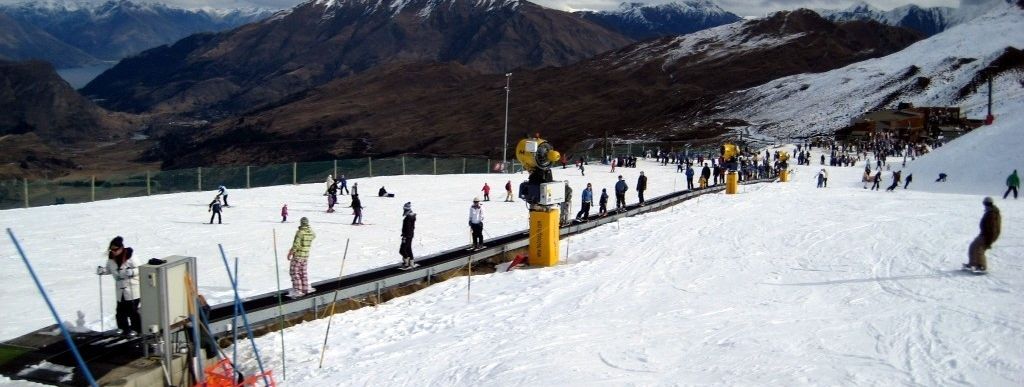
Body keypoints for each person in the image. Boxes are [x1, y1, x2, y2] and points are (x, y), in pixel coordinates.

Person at [96, 236, 141, 336]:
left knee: (132, 310)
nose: (113, 251)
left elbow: (140, 269)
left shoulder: (130, 257)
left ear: (121, 248)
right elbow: (109, 269)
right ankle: (122, 328)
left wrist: (132, 271)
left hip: (132, 288)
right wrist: (103, 271)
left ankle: (136, 329)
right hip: (120, 289)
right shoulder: (111, 259)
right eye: (111, 249)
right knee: (120, 311)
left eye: (115, 249)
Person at [966, 197, 1001, 271]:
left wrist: (989, 241)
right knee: (973, 246)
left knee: (979, 249)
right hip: (985, 234)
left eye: (985, 203)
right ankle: (973, 264)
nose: (984, 205)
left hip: (988, 235)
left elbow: (993, 228)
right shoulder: (990, 211)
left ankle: (982, 266)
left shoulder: (992, 214)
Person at [287, 217, 316, 296]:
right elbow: (314, 235)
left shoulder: (300, 232)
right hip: (305, 256)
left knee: (294, 272)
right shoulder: (311, 232)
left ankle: (298, 289)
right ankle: (305, 288)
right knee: (303, 272)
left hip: (298, 256)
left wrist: (291, 252)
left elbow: (296, 244)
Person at [400, 202, 417, 268]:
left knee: (402, 250)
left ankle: (407, 262)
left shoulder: (408, 218)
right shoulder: (411, 217)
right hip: (410, 235)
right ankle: (411, 262)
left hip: (407, 236)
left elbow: (408, 228)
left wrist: (405, 236)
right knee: (408, 248)